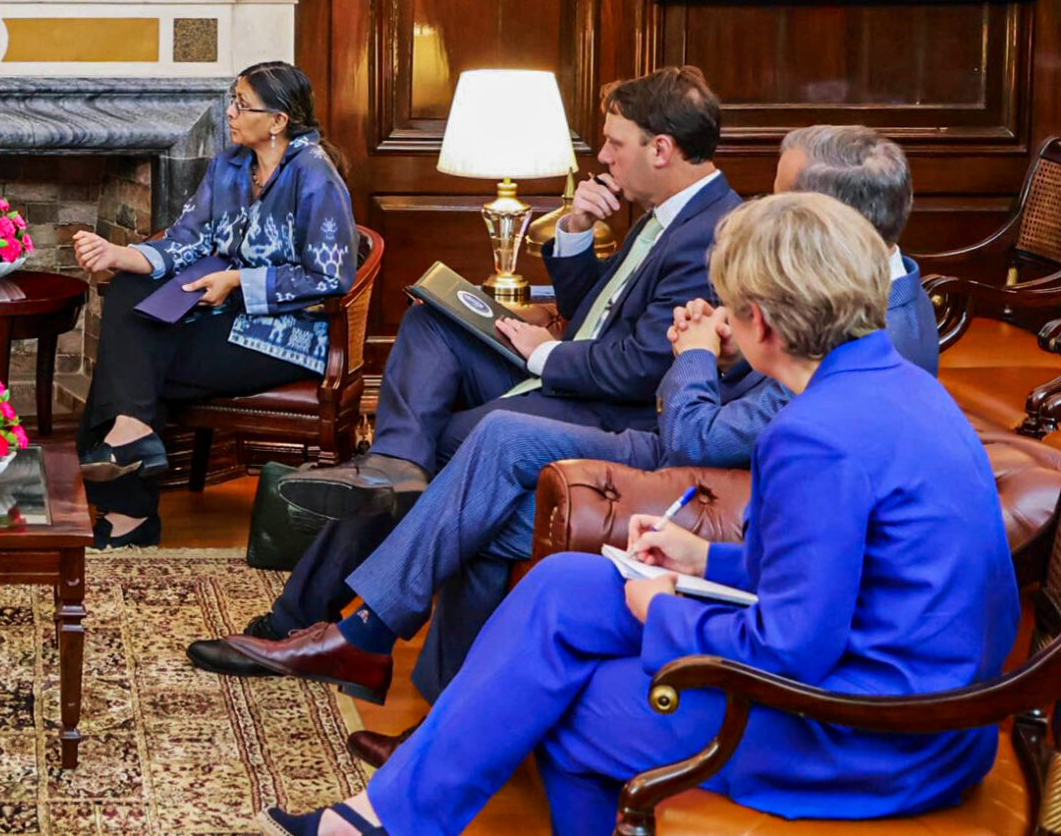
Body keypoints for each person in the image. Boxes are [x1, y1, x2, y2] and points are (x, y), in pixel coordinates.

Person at [269, 192, 1019, 836]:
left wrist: (662, 608)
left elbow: (792, 650)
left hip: (870, 735)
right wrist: (704, 562)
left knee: (564, 710)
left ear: (758, 322)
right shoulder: (905, 381)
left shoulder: (811, 435)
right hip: (924, 709)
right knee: (565, 581)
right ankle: (386, 815)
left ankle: (395, 814)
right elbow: (836, 572)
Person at [194, 124, 939, 742]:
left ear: (826, 217)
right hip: (671, 433)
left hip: (690, 465)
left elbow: (703, 441)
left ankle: (380, 661)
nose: (767, 203)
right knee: (491, 448)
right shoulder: (849, 291)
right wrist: (725, 344)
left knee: (480, 479)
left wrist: (697, 357)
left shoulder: (877, 330)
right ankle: (404, 678)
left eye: (783, 192)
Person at [240, 67, 739, 638]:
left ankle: (301, 617)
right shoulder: (665, 212)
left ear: (661, 149)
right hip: (569, 374)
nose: (602, 156)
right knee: (432, 321)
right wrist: (575, 228)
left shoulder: (709, 232)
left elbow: (640, 369)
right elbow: (596, 311)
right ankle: (390, 466)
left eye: (614, 143)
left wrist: (544, 355)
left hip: (604, 409)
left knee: (446, 442)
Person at [70, 61, 356, 548]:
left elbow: (330, 277)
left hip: (288, 333)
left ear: (279, 120)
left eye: (242, 105)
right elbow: (186, 239)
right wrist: (121, 254)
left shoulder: (315, 175)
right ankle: (133, 435)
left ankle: (130, 510)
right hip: (222, 315)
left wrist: (239, 281)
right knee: (127, 291)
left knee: (136, 365)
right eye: (233, 101)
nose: (230, 113)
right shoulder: (229, 166)